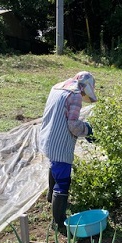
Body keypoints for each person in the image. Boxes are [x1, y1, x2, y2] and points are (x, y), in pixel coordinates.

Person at [39, 71, 97, 229]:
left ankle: (51, 197)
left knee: (55, 166)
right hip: (60, 141)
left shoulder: (57, 88)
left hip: (47, 136)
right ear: (85, 87)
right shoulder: (76, 94)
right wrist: (87, 130)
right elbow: (72, 125)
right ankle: (58, 223)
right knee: (63, 180)